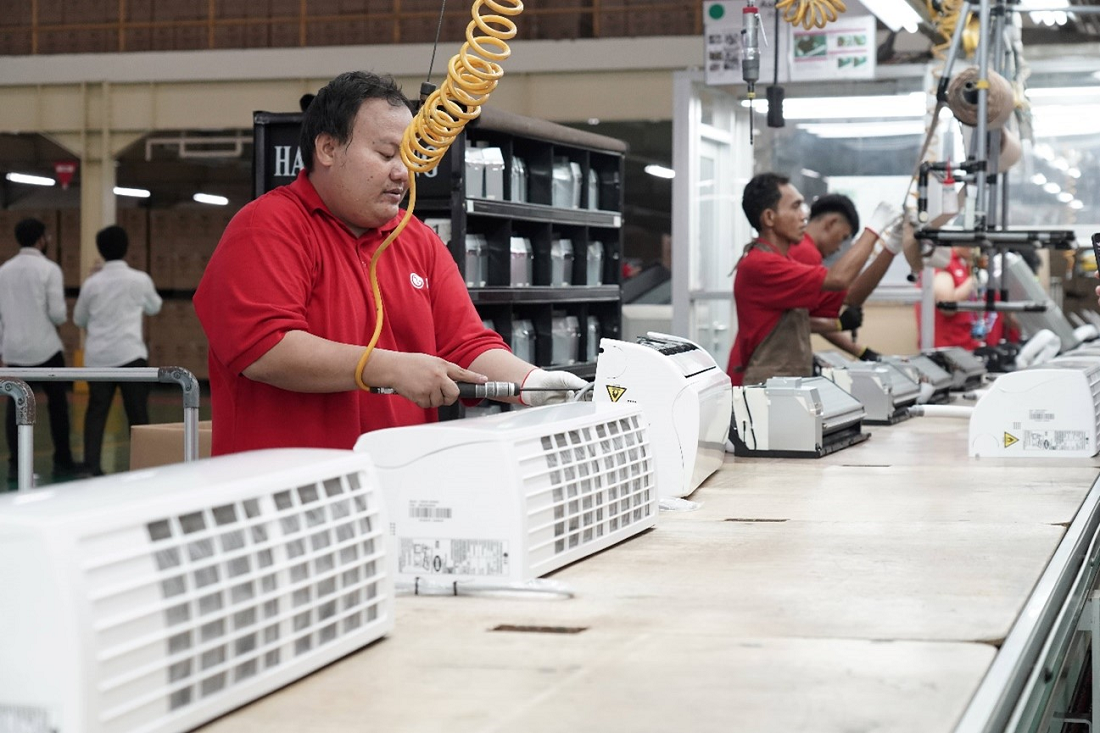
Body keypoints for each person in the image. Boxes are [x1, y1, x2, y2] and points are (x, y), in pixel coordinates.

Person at [194, 71, 586, 455]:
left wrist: (533, 382)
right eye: (385, 154)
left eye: (410, 155)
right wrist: (389, 368)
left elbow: (466, 343)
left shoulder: (418, 240)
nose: (403, 172)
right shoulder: (267, 227)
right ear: (328, 149)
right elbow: (265, 350)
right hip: (287, 495)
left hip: (399, 485)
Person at [726, 173, 899, 386]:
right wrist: (875, 228)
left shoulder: (786, 260)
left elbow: (848, 294)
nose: (803, 216)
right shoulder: (763, 264)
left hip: (776, 385)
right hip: (758, 387)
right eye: (795, 207)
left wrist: (892, 247)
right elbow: (839, 279)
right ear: (769, 217)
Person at [73, 225, 163, 476]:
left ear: (101, 251)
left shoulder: (92, 283)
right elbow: (155, 307)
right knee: (137, 414)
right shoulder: (139, 279)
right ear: (126, 248)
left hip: (98, 357)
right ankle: (144, 465)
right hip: (130, 355)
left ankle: (91, 465)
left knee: (96, 412)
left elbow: (79, 319)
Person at [0, 217, 79, 482]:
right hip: (45, 348)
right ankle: (63, 460)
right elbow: (58, 314)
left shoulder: (4, 270)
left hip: (13, 350)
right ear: (41, 239)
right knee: (57, 407)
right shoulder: (50, 269)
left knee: (15, 407)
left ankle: (15, 465)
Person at [791, 193, 908, 361]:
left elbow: (814, 320)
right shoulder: (804, 251)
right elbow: (849, 295)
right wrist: (885, 241)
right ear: (831, 223)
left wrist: (861, 351)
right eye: (843, 238)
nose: (839, 248)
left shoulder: (807, 252)